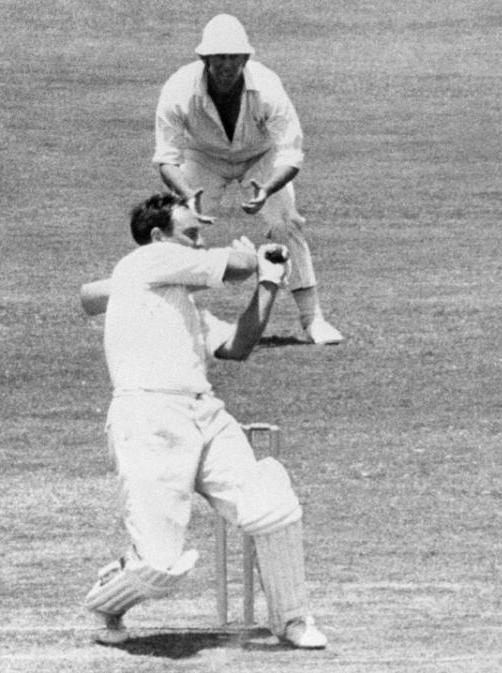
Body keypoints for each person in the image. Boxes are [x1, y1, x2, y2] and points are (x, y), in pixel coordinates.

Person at [82, 192, 327, 649]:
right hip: (148, 418)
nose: (198, 244)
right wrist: (254, 259)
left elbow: (238, 346)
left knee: (271, 504)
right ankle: (110, 597)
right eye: (191, 234)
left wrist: (269, 285)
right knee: (160, 565)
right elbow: (231, 266)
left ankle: (293, 619)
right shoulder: (144, 262)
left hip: (205, 411)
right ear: (158, 237)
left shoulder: (186, 305)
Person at [153, 13, 342, 345]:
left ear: (245, 58)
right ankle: (163, 316)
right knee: (178, 226)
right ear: (204, 59)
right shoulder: (178, 89)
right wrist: (187, 194)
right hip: (202, 158)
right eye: (219, 58)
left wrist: (268, 188)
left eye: (234, 57)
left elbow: (291, 152)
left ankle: (313, 319)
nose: (227, 65)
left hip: (261, 157)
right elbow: (166, 157)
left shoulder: (268, 87)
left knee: (285, 221)